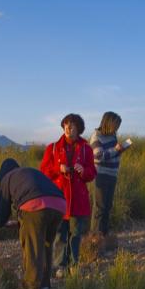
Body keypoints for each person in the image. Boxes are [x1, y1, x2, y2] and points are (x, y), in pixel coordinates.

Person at [0, 158, 66, 289]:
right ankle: (44, 288)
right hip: (59, 205)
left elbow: (1, 212)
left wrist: (1, 224)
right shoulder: (29, 172)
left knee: (32, 252)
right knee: (46, 245)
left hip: (35, 206)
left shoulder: (7, 178)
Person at [40, 113, 96, 276]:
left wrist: (83, 171)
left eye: (72, 125)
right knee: (60, 235)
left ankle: (74, 264)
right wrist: (58, 169)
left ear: (79, 129)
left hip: (78, 199)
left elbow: (92, 173)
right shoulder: (53, 148)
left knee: (75, 235)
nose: (68, 128)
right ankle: (60, 265)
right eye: (65, 125)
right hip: (59, 198)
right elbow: (43, 171)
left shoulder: (86, 149)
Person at [89, 111, 129, 237]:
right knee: (100, 207)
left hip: (112, 174)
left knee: (108, 206)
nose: (117, 128)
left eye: (118, 126)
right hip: (101, 175)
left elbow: (112, 154)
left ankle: (104, 233)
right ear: (108, 123)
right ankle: (95, 236)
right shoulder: (96, 136)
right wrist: (116, 149)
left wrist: (120, 150)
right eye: (116, 125)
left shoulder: (112, 136)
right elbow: (98, 156)